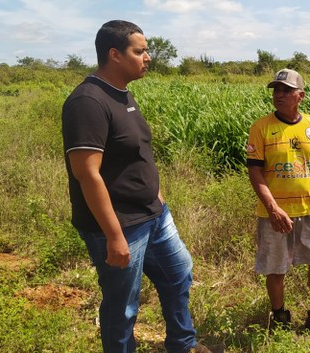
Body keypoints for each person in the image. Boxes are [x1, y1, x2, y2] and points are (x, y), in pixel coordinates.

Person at [61, 20, 211, 353]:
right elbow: (87, 174)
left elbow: (135, 151)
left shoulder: (123, 94)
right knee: (122, 306)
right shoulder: (87, 102)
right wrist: (114, 235)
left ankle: (183, 345)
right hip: (119, 225)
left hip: (153, 216)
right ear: (114, 54)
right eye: (140, 51)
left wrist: (155, 194)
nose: (148, 57)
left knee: (178, 274)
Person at [246, 68, 310, 337]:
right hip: (274, 214)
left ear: (300, 96)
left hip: (308, 209)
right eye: (276, 90)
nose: (278, 95)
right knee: (276, 267)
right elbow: (255, 171)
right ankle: (280, 317)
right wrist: (273, 208)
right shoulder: (261, 127)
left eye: (285, 90)